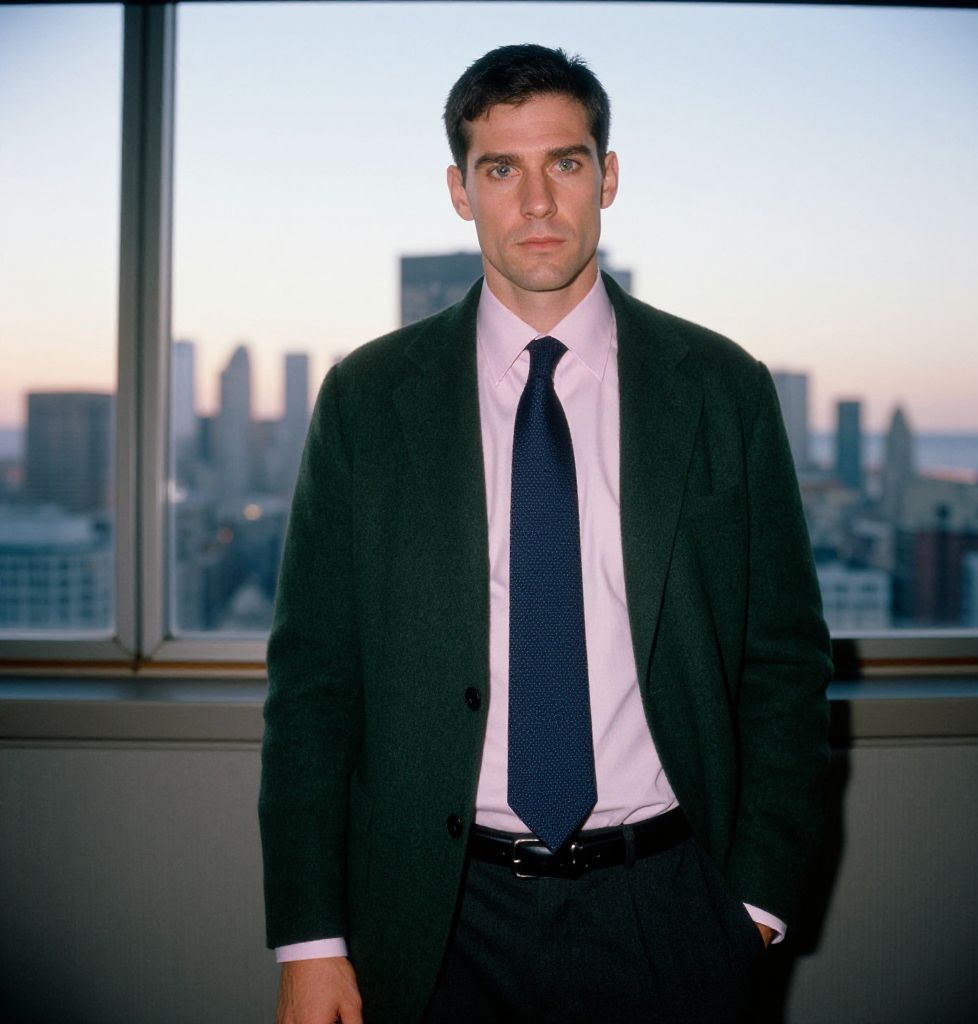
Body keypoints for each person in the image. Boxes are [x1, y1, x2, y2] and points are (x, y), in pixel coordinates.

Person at [260, 43, 831, 1024]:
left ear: (606, 177)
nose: (535, 203)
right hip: (433, 918)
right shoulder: (367, 398)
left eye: (563, 163)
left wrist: (757, 905)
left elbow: (781, 659)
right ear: (458, 190)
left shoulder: (720, 387)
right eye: (499, 169)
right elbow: (315, 682)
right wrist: (312, 940)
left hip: (672, 907)